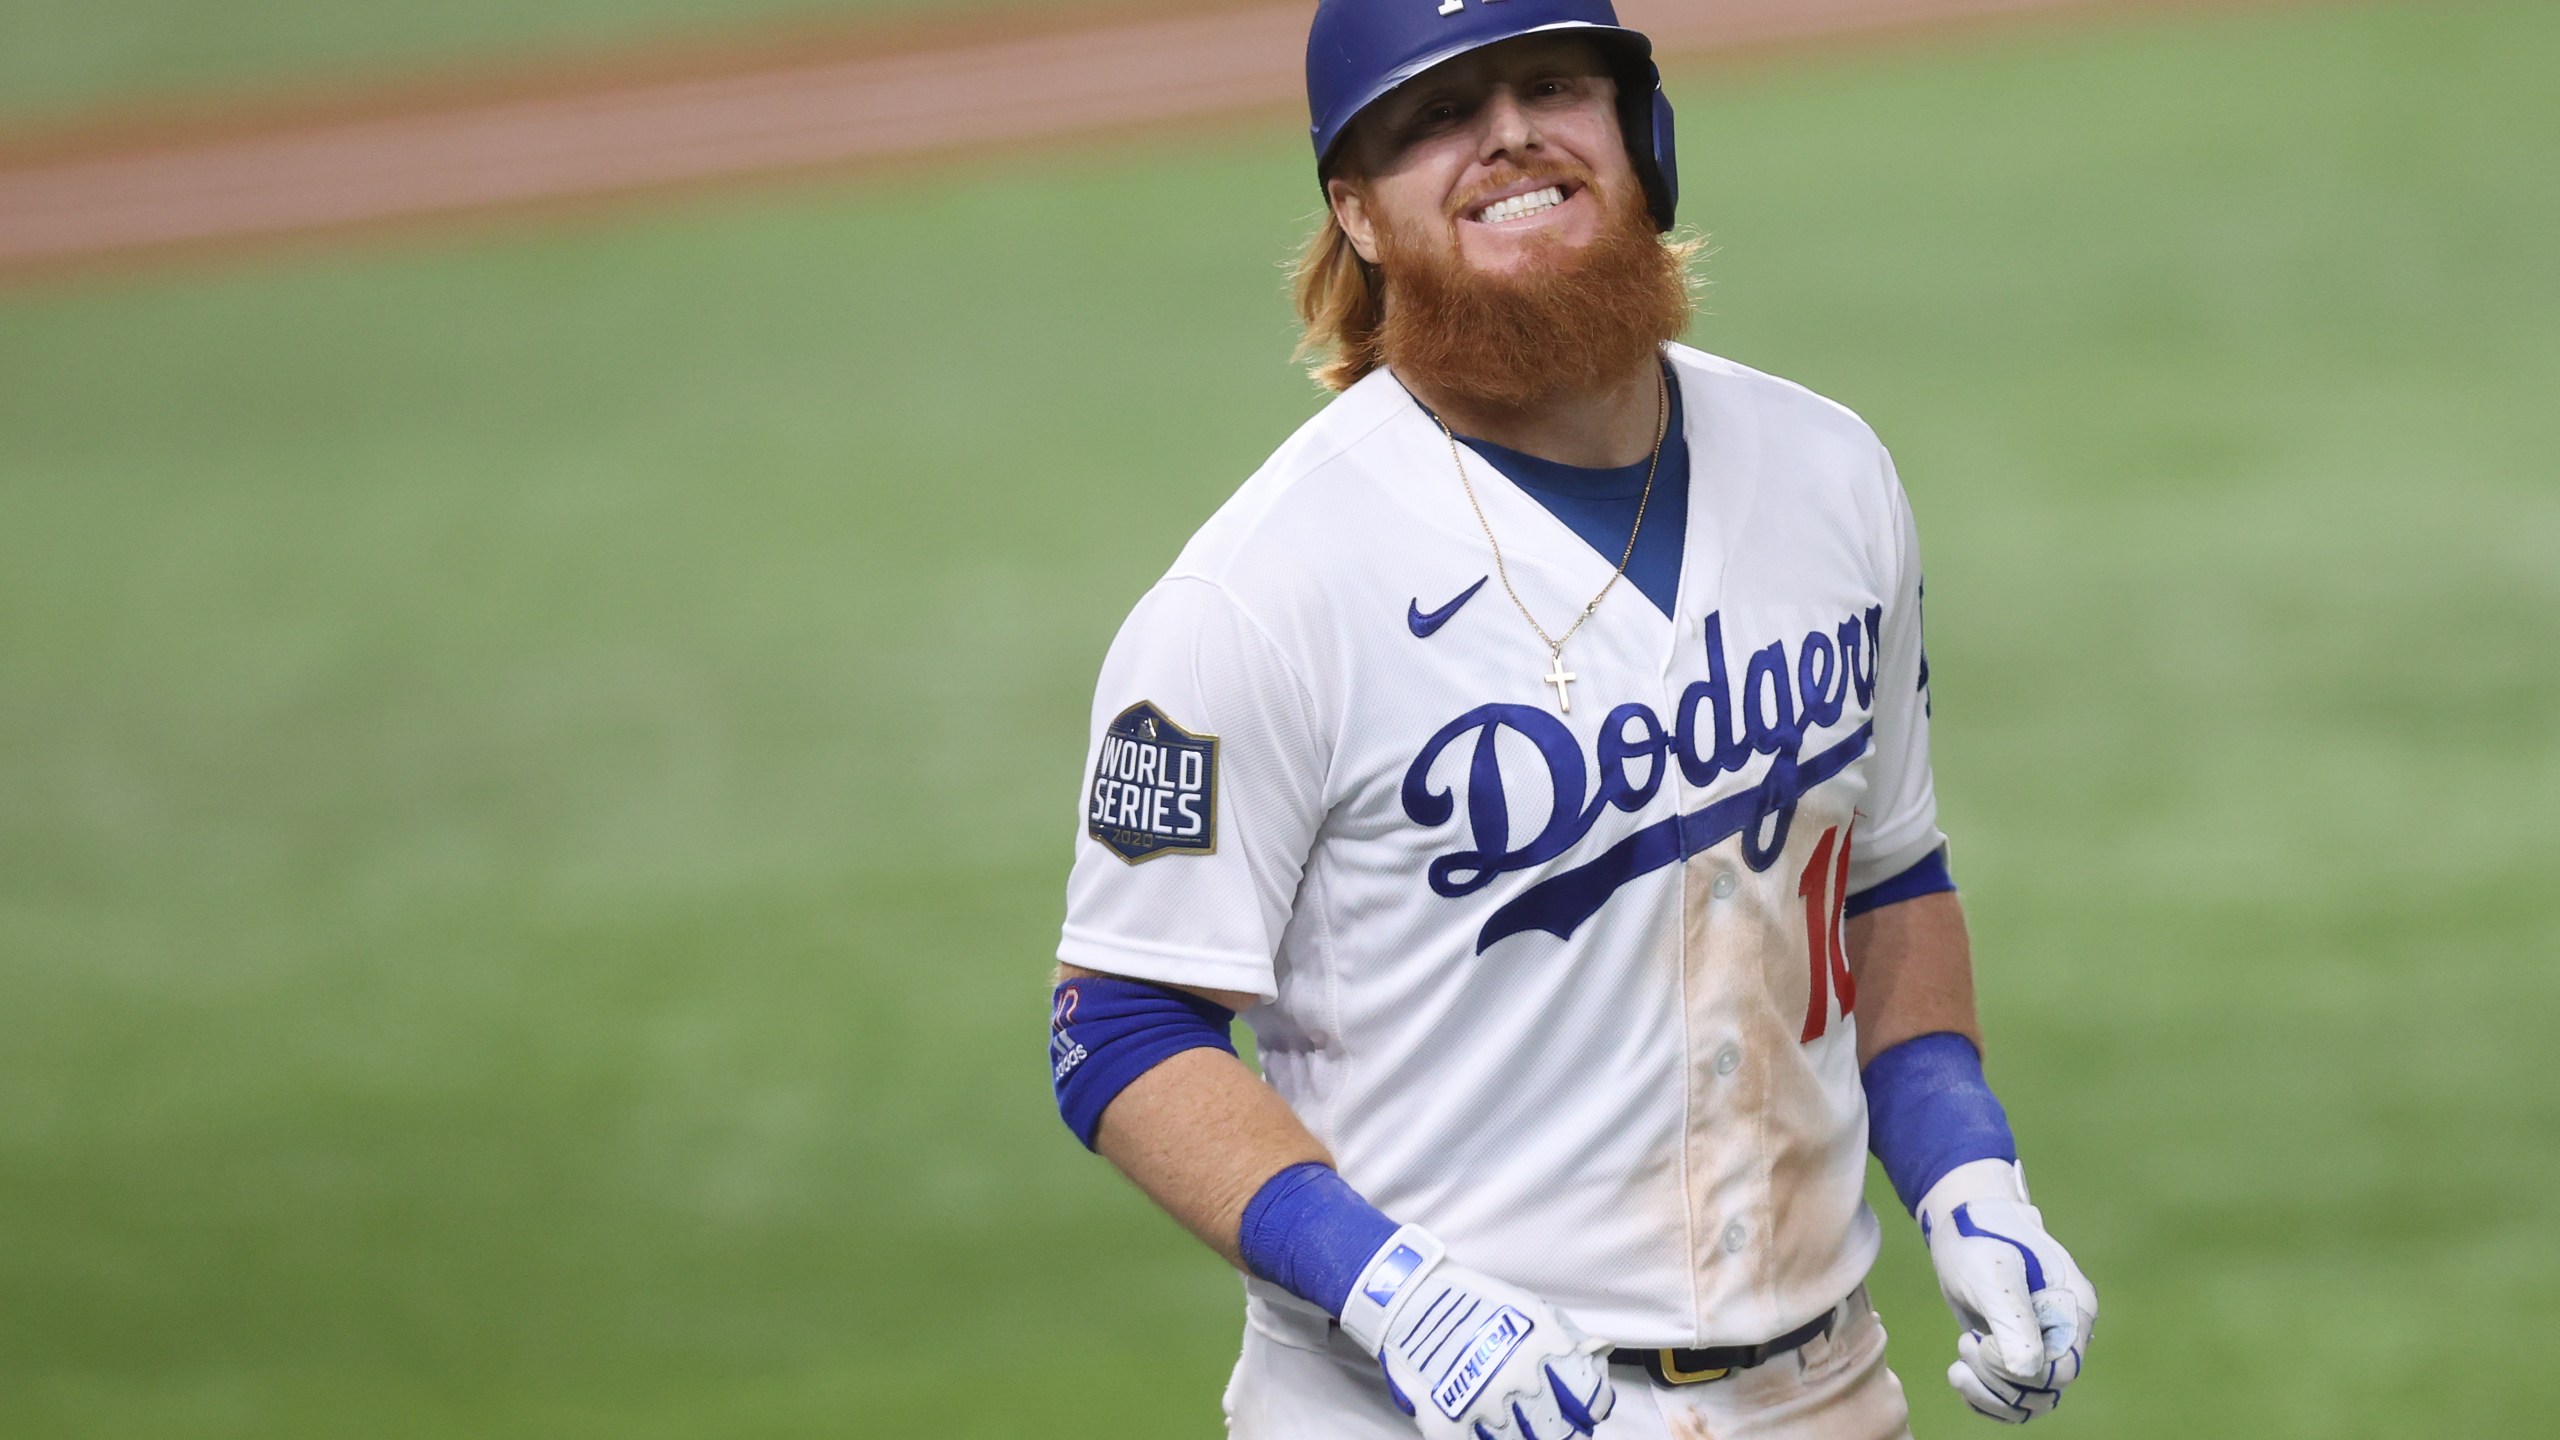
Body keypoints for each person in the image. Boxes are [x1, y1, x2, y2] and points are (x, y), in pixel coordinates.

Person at [1049, 2, 2097, 1435]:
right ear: (1355, 211)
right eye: (1435, 115)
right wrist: (1391, 1289)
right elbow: (1116, 1028)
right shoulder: (1259, 593)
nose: (1509, 137)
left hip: (1826, 1389)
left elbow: (1891, 877)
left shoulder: (1827, 472)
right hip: (1417, 1412)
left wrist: (1970, 1172)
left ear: (1640, 133)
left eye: (1552, 86)